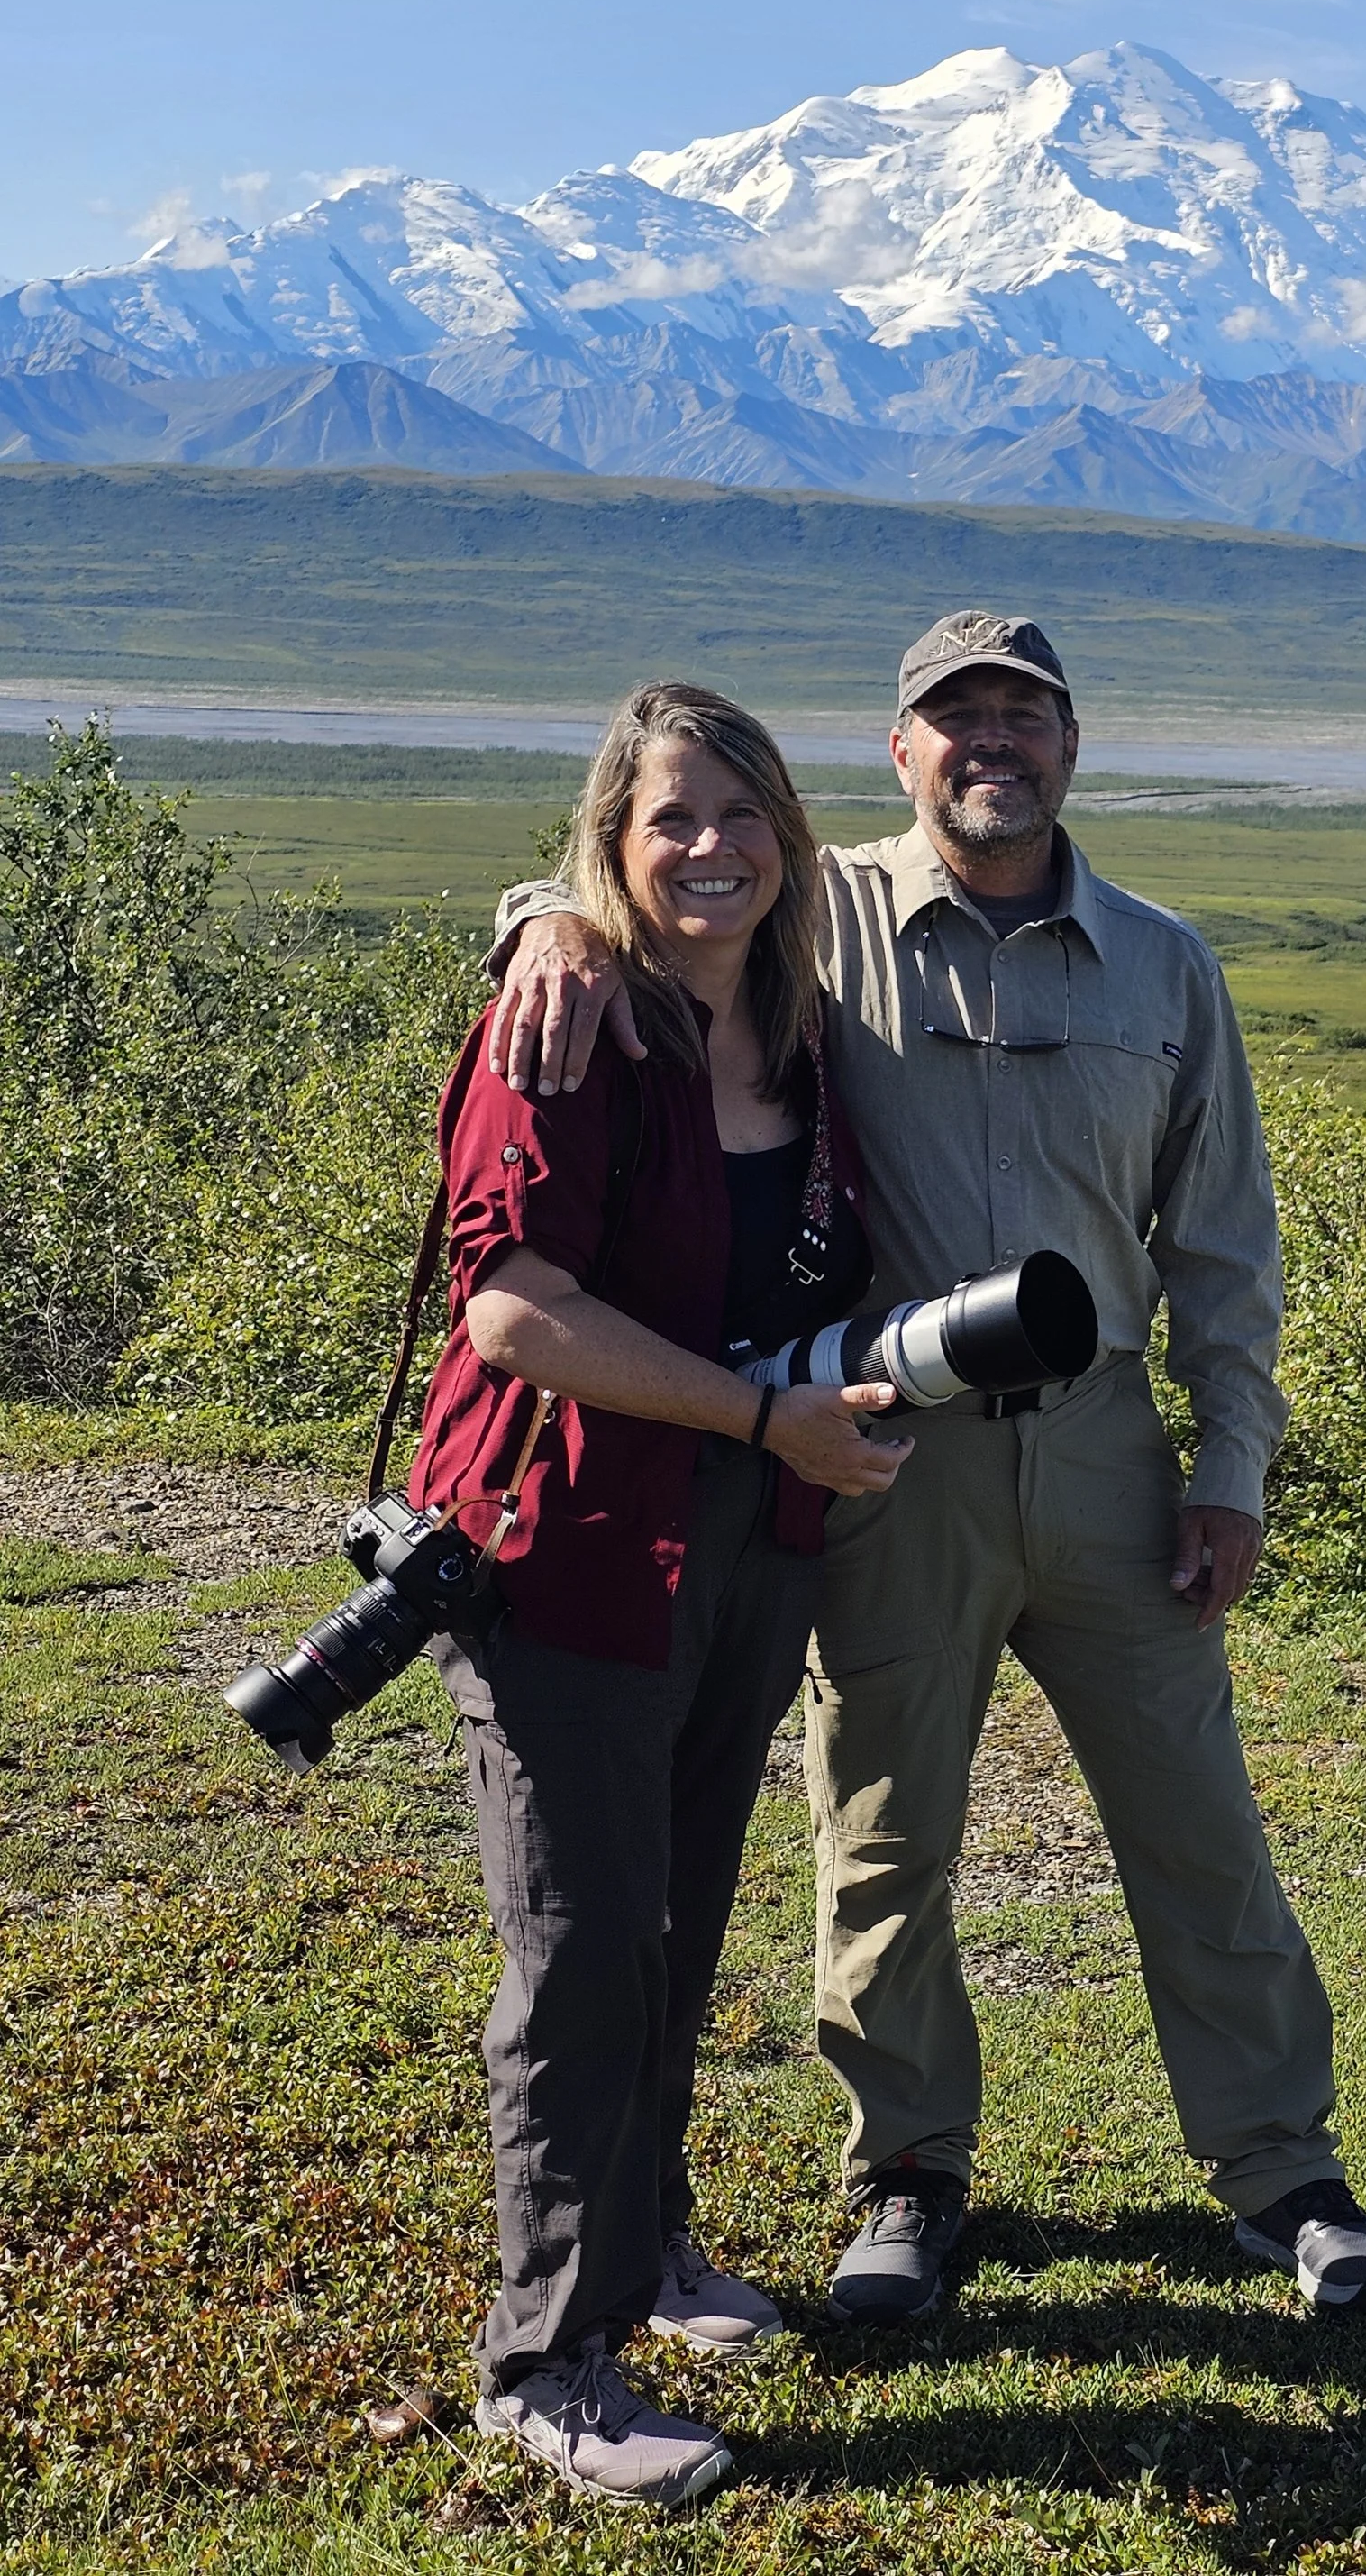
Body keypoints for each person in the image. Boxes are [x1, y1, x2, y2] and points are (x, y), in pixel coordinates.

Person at [492, 611, 1366, 2325]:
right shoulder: (814, 908)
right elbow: (651, 883)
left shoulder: (1165, 965)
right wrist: (541, 919)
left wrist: (1233, 1466)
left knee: (1199, 1830)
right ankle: (906, 2178)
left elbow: (1222, 1246)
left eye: (1026, 716)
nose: (993, 744)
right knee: (882, 1835)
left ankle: (1285, 2172)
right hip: (885, 1457)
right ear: (899, 750)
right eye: (956, 719)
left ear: (1074, 744)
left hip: (1110, 1458)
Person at [414, 681, 910, 2507]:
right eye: (667, 822)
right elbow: (513, 1311)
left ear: (789, 831)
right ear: (606, 849)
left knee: (675, 1924)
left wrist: (826, 1414)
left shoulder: (796, 1035)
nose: (711, 848)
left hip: (742, 1550)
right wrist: (765, 1413)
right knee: (574, 1959)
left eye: (741, 814)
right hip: (569, 1548)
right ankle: (544, 2361)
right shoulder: (571, 1027)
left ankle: (649, 2256)